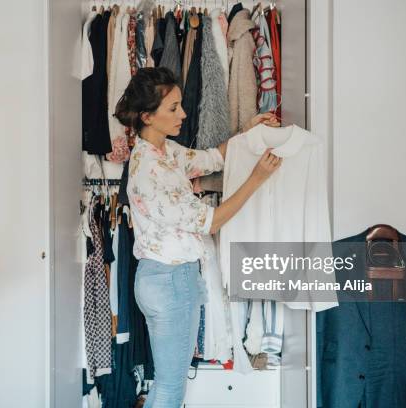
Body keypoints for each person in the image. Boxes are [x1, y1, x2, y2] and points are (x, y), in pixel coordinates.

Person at [114, 67, 281, 408]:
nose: (184, 114)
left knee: (165, 384)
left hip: (165, 279)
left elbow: (211, 158)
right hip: (170, 282)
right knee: (170, 390)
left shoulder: (163, 151)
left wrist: (247, 132)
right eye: (173, 108)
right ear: (147, 116)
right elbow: (212, 220)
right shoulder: (152, 171)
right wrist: (257, 178)